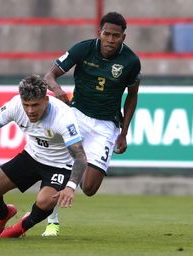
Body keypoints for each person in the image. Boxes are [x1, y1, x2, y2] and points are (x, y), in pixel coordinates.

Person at [42, 11, 141, 236]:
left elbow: (132, 96)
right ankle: (51, 220)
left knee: (89, 188)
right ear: (100, 33)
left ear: (123, 37)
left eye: (116, 36)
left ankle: (55, 204)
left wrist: (124, 133)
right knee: (61, 167)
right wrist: (57, 91)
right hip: (77, 115)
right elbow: (50, 75)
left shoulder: (131, 61)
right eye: (107, 34)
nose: (110, 40)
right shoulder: (83, 49)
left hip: (106, 125)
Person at [0, 74, 87, 238]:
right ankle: (4, 214)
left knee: (45, 201)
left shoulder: (63, 117)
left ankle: (21, 227)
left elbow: (81, 157)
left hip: (59, 166)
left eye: (35, 105)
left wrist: (71, 187)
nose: (30, 111)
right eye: (26, 105)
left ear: (46, 100)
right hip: (31, 157)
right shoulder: (16, 105)